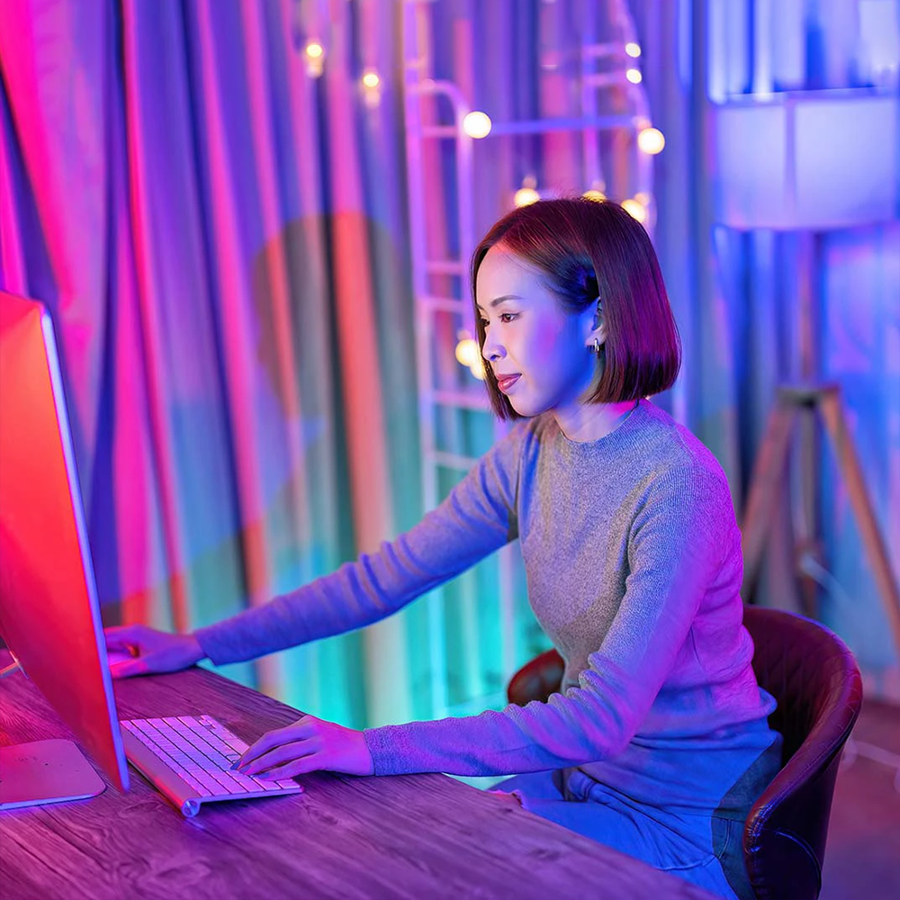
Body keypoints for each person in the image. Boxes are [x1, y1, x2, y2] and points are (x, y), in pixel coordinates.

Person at [106, 198, 781, 900]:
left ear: (599, 319)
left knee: (440, 871)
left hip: (687, 817)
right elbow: (380, 582)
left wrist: (370, 747)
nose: (489, 345)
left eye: (510, 316)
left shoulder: (678, 485)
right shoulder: (532, 451)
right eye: (486, 320)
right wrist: (199, 643)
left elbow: (600, 720)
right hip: (584, 782)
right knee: (392, 850)